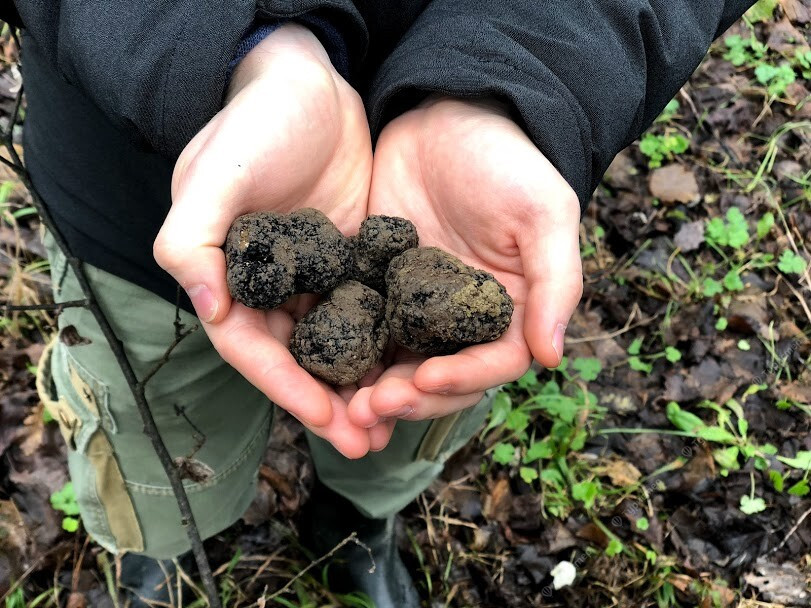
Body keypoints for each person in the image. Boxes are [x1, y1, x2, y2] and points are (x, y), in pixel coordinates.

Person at [1, 1, 754, 606]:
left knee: (403, 414)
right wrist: (247, 50)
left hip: (455, 195)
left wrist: (518, 76)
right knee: (152, 422)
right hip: (126, 189)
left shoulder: (409, 271)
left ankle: (356, 524)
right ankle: (159, 549)